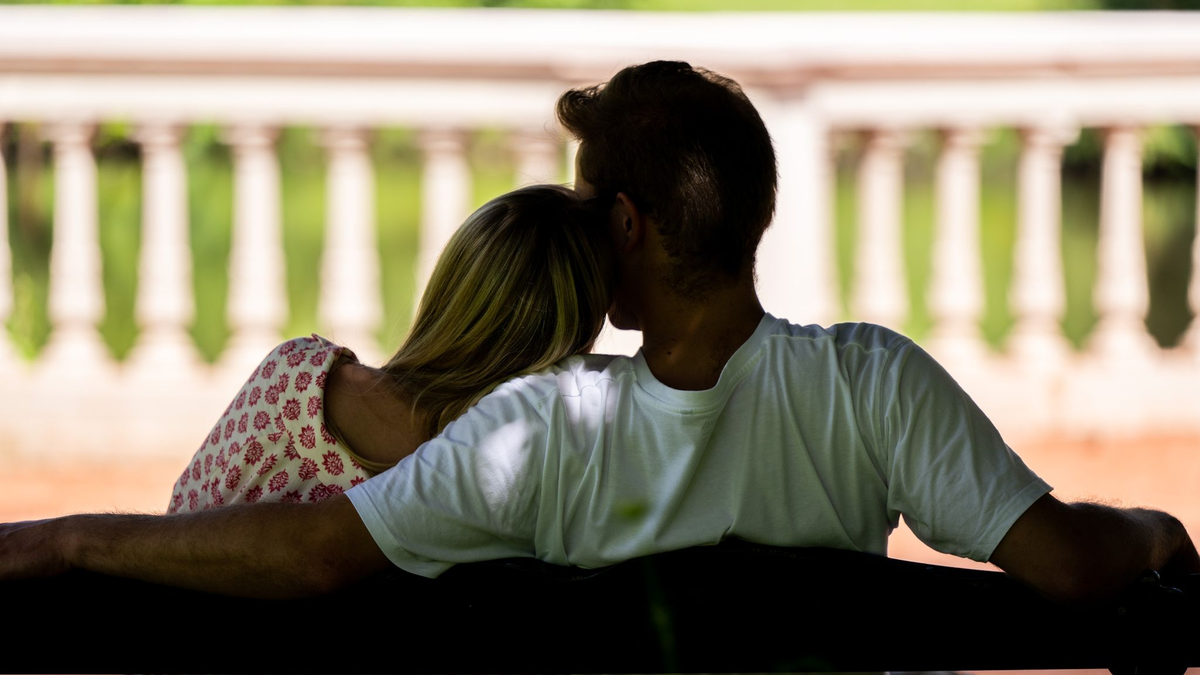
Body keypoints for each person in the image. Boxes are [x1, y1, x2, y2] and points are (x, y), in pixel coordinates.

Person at [1, 61, 1196, 603]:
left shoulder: (541, 433)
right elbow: (1065, 564)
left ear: (624, 225)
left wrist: (64, 542)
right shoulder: (874, 386)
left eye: (586, 202)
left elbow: (314, 554)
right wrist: (1156, 529)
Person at [167, 183, 615, 513]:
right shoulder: (522, 481)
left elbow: (179, 525)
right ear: (577, 335)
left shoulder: (298, 383)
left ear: (450, 286)